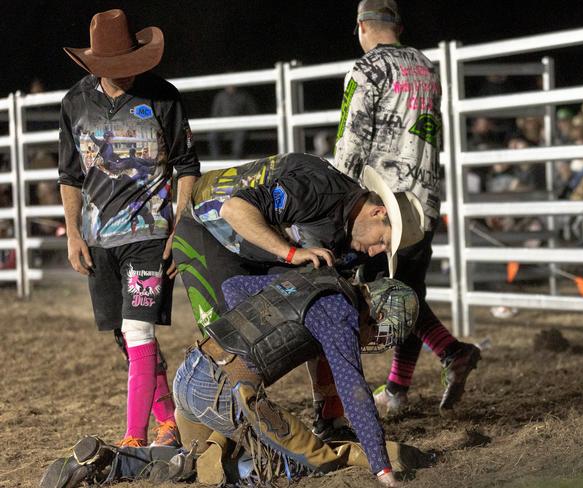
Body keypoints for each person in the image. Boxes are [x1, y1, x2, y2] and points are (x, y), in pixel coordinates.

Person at [39, 268, 435, 488]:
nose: (374, 340)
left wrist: (262, 332)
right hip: (226, 390)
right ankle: (212, 465)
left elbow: (232, 287)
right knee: (301, 464)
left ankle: (106, 463)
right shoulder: (341, 315)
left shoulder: (311, 280)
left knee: (190, 456)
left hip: (192, 373)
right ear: (378, 314)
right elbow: (355, 393)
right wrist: (383, 469)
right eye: (381, 333)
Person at [58, 9, 200, 448]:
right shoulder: (75, 103)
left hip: (150, 235)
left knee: (138, 331)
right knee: (125, 334)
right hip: (99, 238)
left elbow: (186, 167)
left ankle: (133, 437)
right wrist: (75, 233)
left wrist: (178, 229)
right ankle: (169, 420)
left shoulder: (164, 98)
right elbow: (70, 175)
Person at [333, 0, 481, 417]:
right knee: (410, 289)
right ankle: (400, 388)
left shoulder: (366, 70)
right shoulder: (427, 67)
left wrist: (337, 200)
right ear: (397, 25)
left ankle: (448, 354)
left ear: (362, 26)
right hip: (425, 196)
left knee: (392, 295)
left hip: (381, 207)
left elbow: (351, 141)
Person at [172, 152, 425, 331]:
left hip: (258, 244)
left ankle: (325, 403)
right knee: (228, 331)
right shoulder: (318, 190)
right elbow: (234, 209)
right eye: (382, 241)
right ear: (377, 212)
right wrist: (291, 253)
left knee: (319, 303)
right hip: (203, 225)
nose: (376, 252)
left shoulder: (355, 238)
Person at [209, 85, 258, 159]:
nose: (230, 86)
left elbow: (252, 111)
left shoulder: (244, 95)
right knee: (212, 135)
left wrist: (243, 121)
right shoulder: (220, 96)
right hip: (222, 126)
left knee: (240, 135)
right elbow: (215, 113)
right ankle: (216, 160)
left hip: (238, 126)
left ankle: (235, 160)